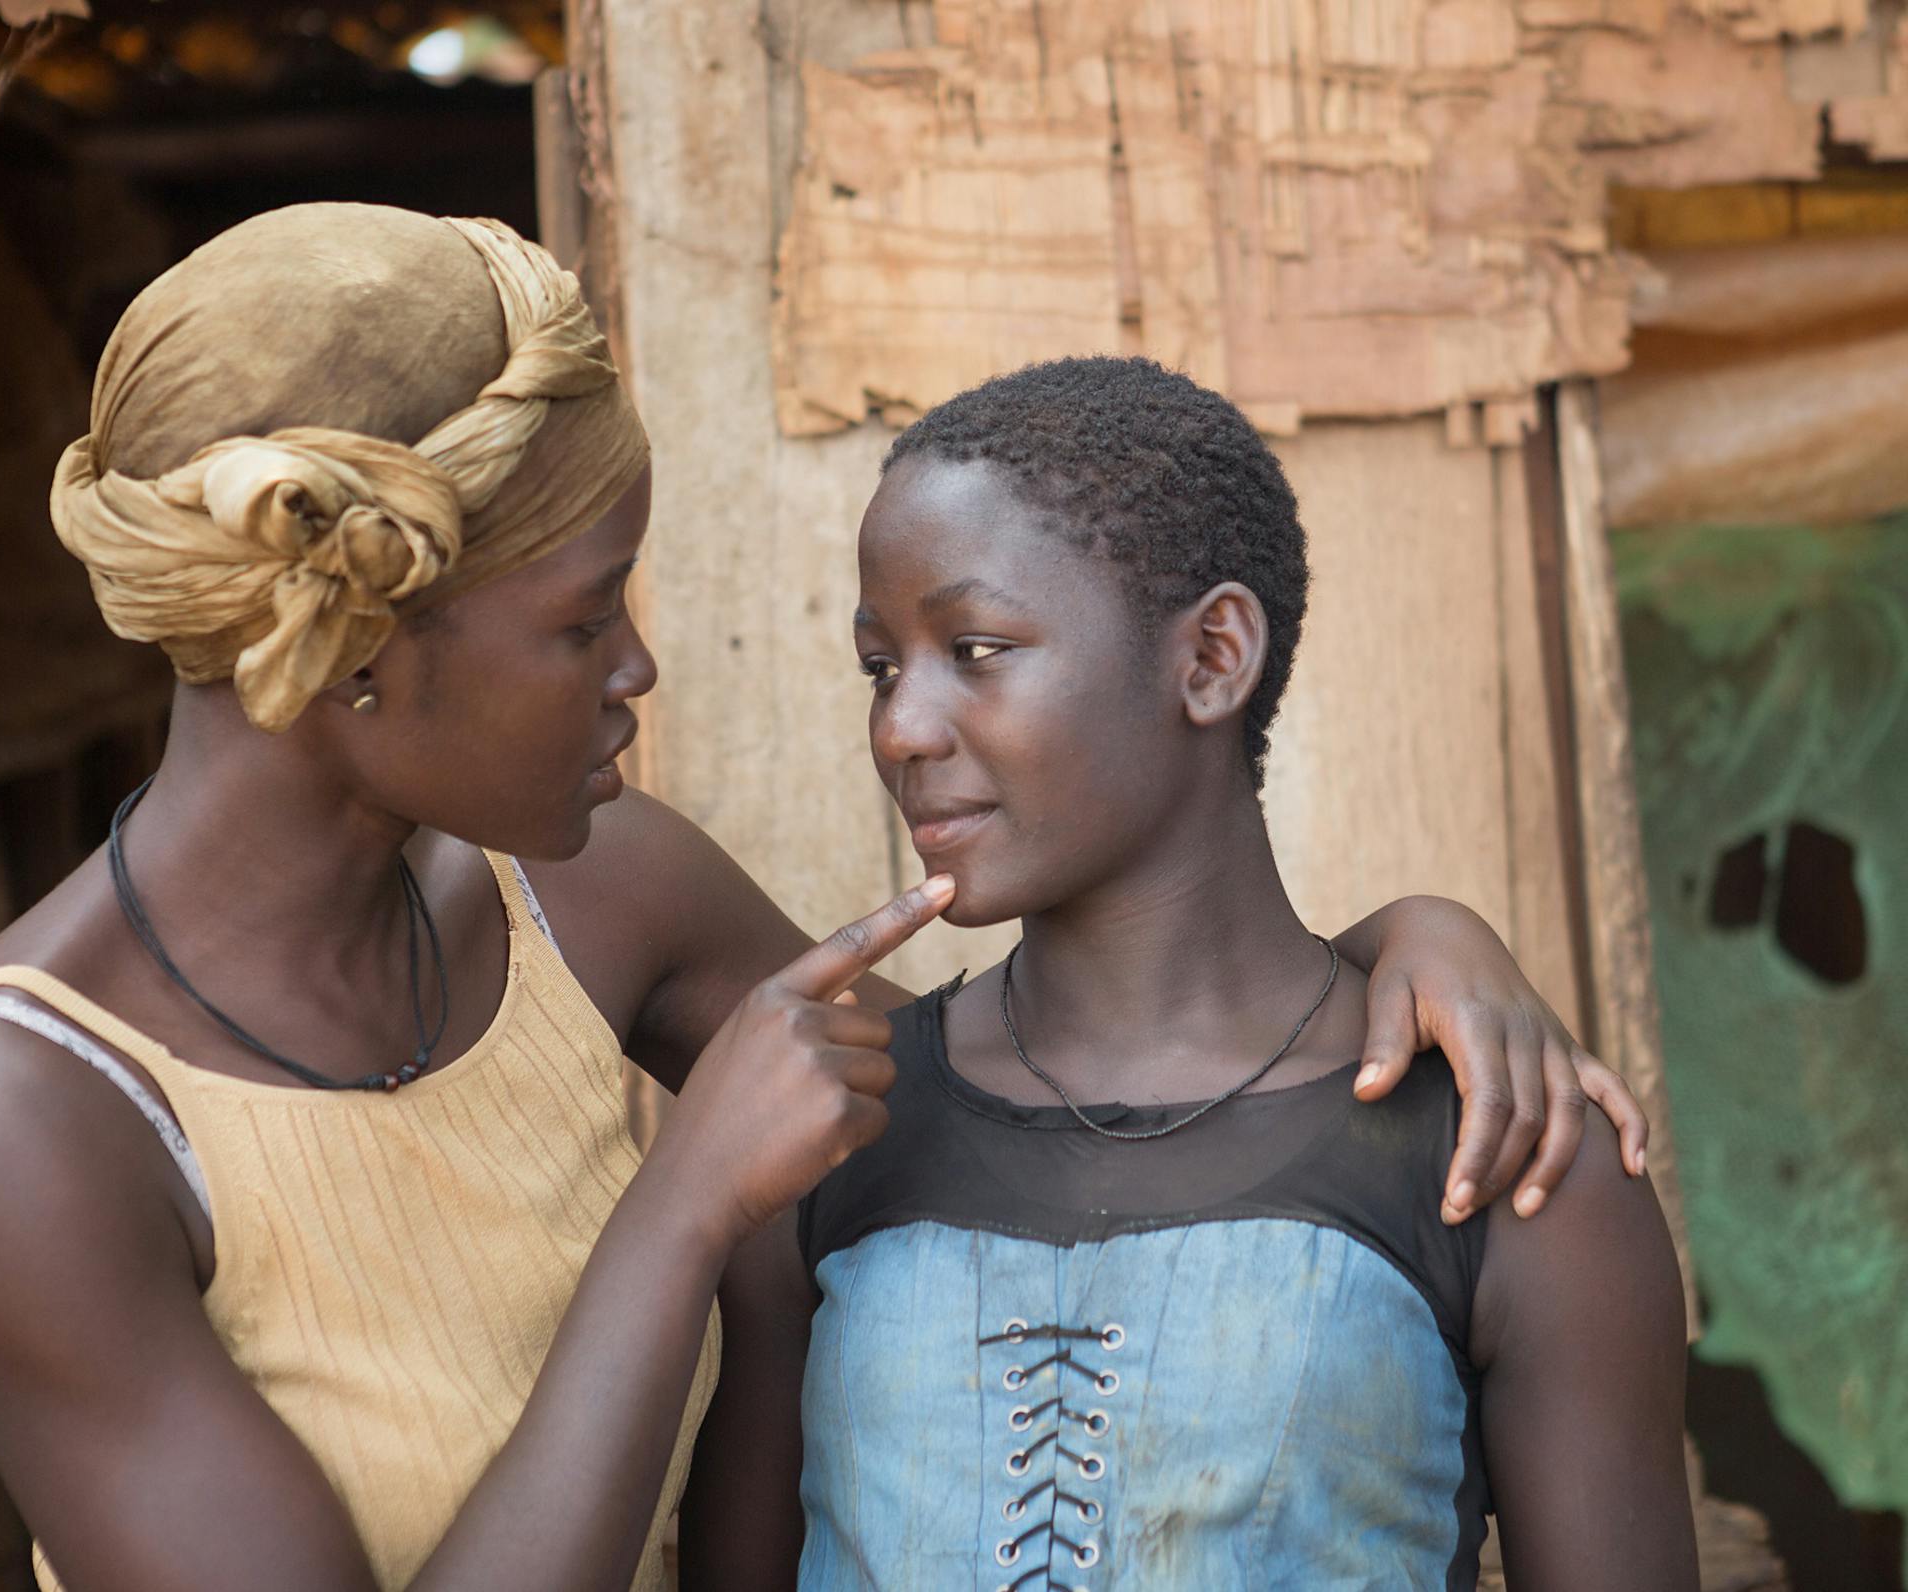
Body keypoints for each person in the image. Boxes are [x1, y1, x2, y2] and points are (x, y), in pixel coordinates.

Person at [0, 207, 1647, 1592]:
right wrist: (681, 1205)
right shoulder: (12, 1122)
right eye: (583, 618)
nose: (641, 665)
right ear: (353, 657)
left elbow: (1115, 1031)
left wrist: (1419, 943)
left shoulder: (598, 899)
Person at [682, 357, 1696, 1592]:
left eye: (976, 645)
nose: (901, 726)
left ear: (1213, 655)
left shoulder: (1504, 1154)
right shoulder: (826, 1134)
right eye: (881, 665)